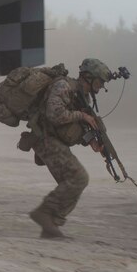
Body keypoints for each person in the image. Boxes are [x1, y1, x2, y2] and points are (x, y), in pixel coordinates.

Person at [25, 58, 111, 239]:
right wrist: (82, 116)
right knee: (78, 177)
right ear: (88, 77)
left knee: (74, 182)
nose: (101, 86)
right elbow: (54, 114)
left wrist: (90, 142)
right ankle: (44, 213)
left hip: (55, 140)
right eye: (99, 81)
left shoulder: (82, 96)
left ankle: (51, 225)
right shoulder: (64, 86)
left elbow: (72, 128)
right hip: (45, 139)